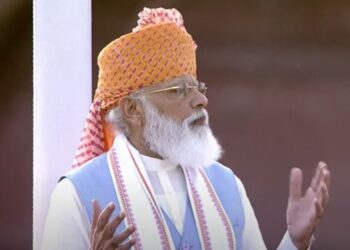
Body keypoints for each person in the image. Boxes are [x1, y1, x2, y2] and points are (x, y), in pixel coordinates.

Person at [42, 7, 330, 250]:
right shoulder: (77, 194)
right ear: (133, 109)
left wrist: (294, 241)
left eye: (197, 87)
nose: (201, 100)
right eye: (179, 90)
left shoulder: (226, 186)